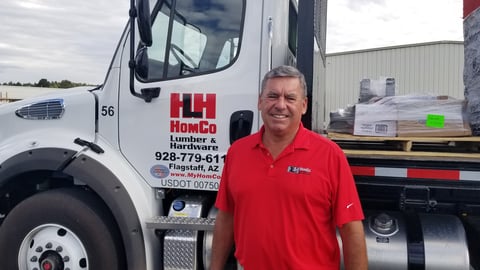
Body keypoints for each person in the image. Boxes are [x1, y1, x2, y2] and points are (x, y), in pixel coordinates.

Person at [210, 65, 368, 270]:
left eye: (290, 98)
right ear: (260, 101)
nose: (280, 105)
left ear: (303, 106)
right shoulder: (237, 152)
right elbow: (226, 216)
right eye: (273, 96)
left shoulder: (330, 155)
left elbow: (351, 228)